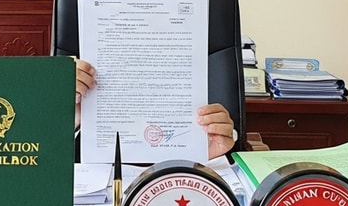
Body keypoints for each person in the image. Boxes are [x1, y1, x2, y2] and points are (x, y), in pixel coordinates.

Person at [73, 58, 237, 161]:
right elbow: (50, 155)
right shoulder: (76, 82)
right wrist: (65, 115)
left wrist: (204, 150)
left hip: (181, 178)